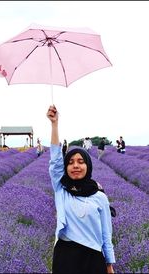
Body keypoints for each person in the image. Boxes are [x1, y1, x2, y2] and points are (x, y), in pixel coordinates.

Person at [47, 105, 115, 274]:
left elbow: (106, 233)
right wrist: (54, 125)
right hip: (65, 256)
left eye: (80, 162)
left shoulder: (99, 197)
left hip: (93, 257)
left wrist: (109, 264)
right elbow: (55, 161)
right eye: (70, 162)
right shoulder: (61, 190)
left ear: (88, 165)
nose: (75, 166)